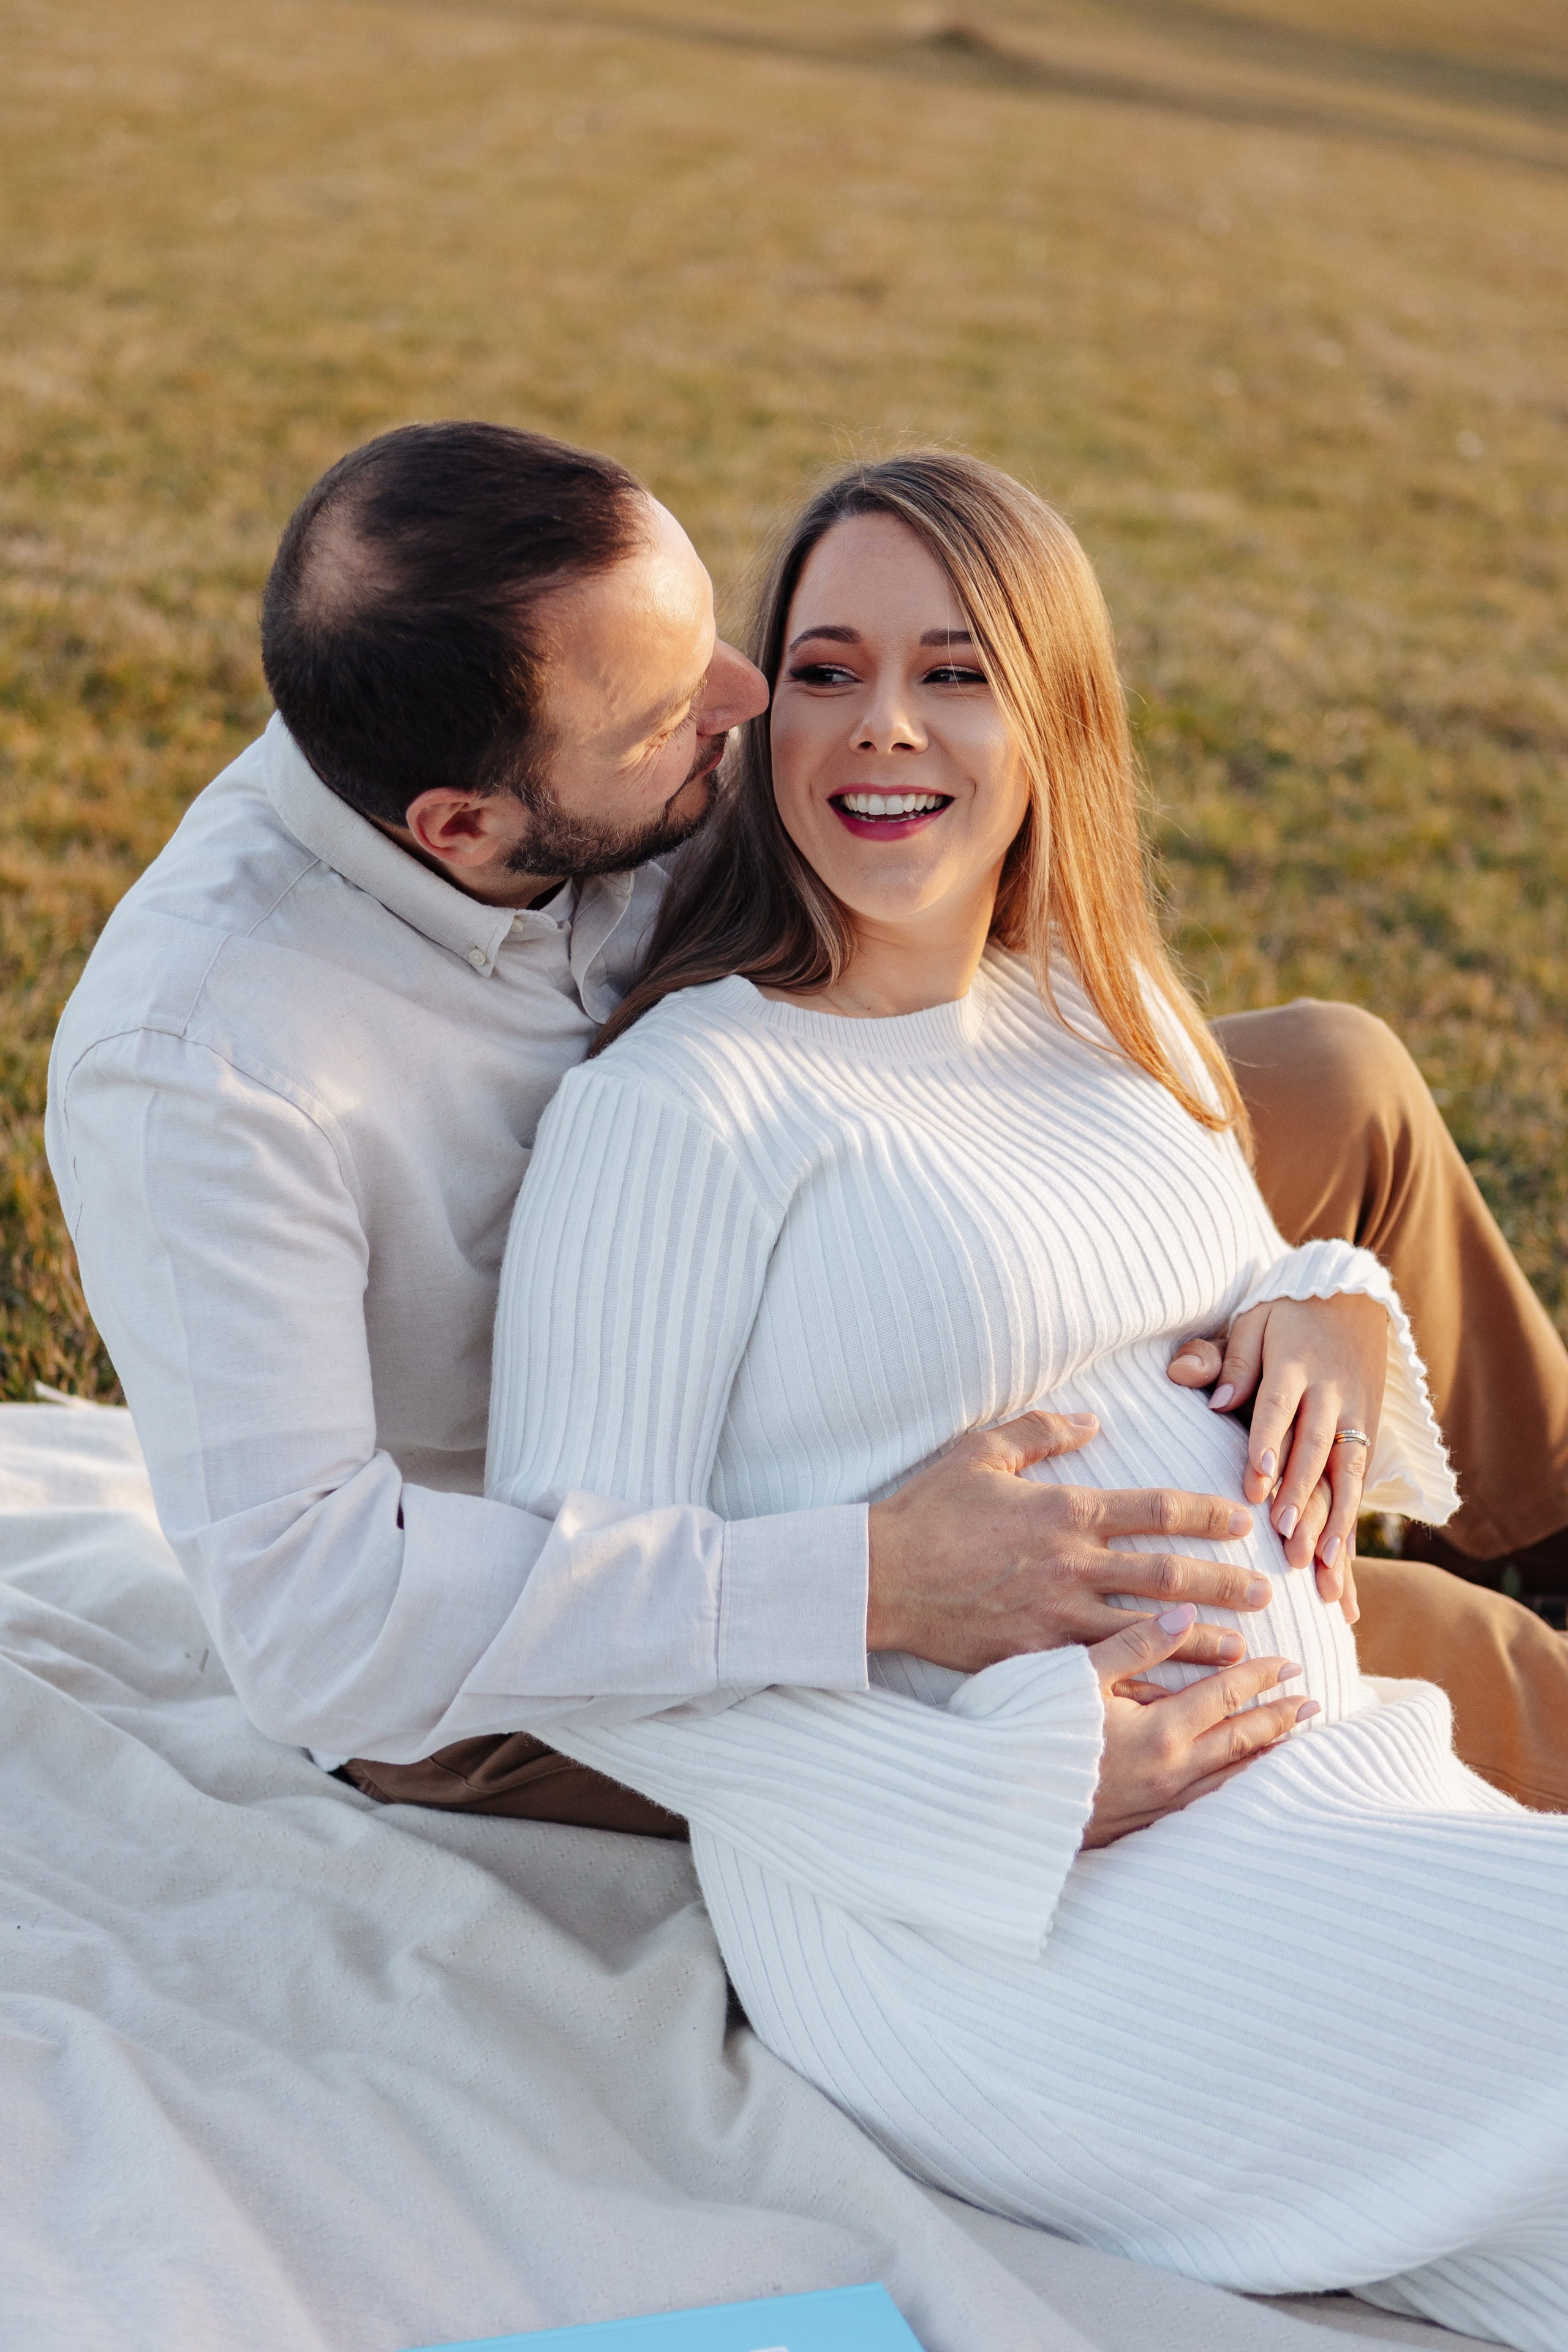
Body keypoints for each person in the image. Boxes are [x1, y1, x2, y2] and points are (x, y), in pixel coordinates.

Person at [45, 423, 1568, 1831]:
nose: (747, 699)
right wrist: (870, 1582)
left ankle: (1543, 1510)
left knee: (1338, 1083)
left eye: (714, 632)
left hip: (833, 1249)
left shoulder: (577, 698)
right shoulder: (202, 1062)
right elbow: (322, 1631)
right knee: (1398, 1657)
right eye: (667, 715)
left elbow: (957, 907)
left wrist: (1304, 1288)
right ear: (463, 827)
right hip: (598, 1568)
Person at [482, 452, 1568, 2349]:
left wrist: (1323, 1300)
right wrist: (1019, 1788)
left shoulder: (1090, 995)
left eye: (957, 671)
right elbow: (577, 1629)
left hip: (1334, 1788)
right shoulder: (687, 1107)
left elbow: (1172, 1283)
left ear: (1054, 716)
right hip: (994, 1919)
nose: (881, 726)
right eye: (824, 668)